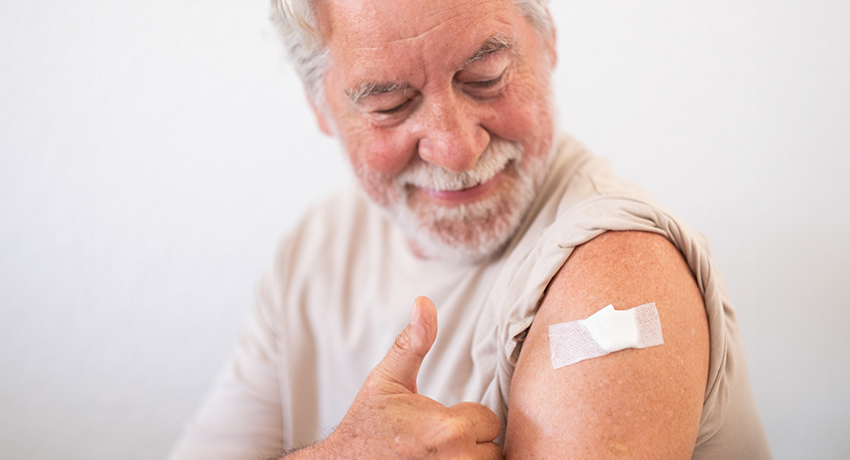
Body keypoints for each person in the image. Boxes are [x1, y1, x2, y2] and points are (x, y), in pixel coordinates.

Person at [169, 0, 772, 458]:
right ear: (319, 106)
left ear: (548, 43)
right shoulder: (319, 244)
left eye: (486, 76)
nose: (456, 148)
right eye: (391, 105)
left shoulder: (616, 277)